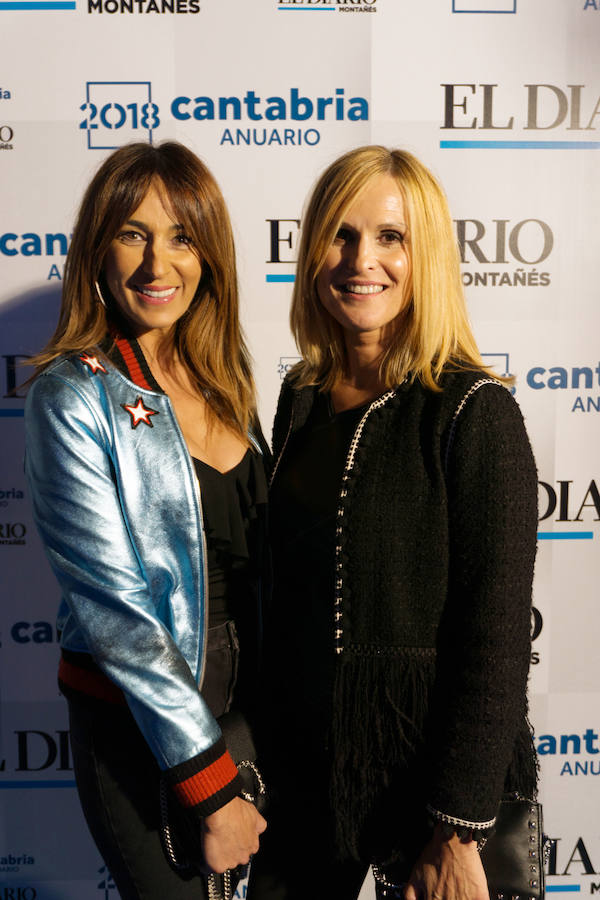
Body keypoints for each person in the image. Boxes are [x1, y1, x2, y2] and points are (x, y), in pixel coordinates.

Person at [248, 146, 538, 900]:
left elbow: (496, 637)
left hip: (427, 792)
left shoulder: (474, 411)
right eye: (340, 235)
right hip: (303, 785)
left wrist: (457, 828)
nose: (360, 259)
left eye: (390, 238)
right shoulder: (300, 397)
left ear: (427, 256)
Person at [25, 141, 268, 900]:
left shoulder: (228, 380)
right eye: (132, 233)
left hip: (255, 722)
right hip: (143, 738)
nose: (157, 265)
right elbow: (115, 612)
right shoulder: (70, 397)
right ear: (98, 247)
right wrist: (212, 787)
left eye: (181, 237)